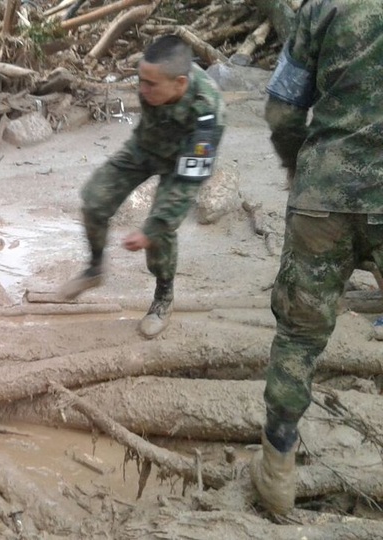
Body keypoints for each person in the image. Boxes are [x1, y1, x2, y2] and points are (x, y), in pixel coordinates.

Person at [252, 1, 383, 516]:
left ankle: (277, 477)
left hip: (322, 196)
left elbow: (282, 107)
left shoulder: (323, 7)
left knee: (299, 337)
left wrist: (298, 167)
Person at [58, 35, 225, 339]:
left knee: (160, 231)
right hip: (146, 145)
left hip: (182, 163)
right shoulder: (154, 77)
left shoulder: (207, 115)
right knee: (94, 199)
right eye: (141, 81)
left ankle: (163, 298)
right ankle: (94, 269)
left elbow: (188, 183)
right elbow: (147, 120)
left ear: (180, 84)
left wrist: (151, 229)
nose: (142, 90)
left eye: (151, 85)